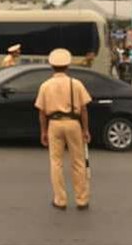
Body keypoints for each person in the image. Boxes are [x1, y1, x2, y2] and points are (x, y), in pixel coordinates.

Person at [35, 48, 92, 211]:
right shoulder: (76, 84)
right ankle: (81, 199)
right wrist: (85, 129)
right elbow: (84, 109)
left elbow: (42, 112)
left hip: (54, 124)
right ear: (67, 66)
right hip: (73, 123)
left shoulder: (45, 86)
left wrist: (43, 131)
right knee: (78, 162)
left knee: (56, 162)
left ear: (51, 66)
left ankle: (60, 200)